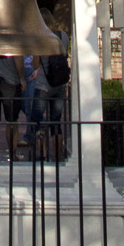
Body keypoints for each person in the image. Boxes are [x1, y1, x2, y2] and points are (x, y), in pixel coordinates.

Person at [30, 10, 71, 161]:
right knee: (56, 121)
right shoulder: (63, 36)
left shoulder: (39, 39)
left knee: (38, 120)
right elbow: (64, 55)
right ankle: (58, 155)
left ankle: (43, 154)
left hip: (42, 86)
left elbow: (35, 65)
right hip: (60, 85)